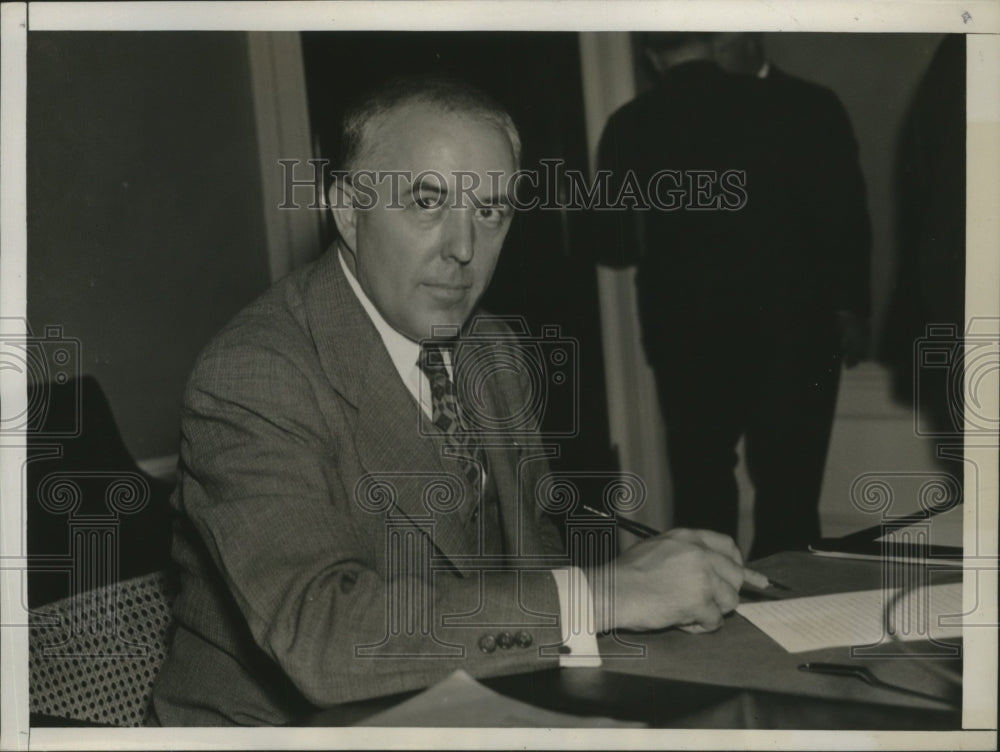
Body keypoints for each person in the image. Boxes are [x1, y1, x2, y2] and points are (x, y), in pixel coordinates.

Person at [149, 74, 763, 726]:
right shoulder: (252, 375)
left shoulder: (490, 349)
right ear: (348, 211)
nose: (465, 249)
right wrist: (607, 595)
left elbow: (534, 559)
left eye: (491, 211)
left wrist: (644, 594)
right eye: (428, 202)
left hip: (462, 707)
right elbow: (324, 636)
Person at [594, 33, 871, 559]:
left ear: (652, 57)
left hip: (686, 337)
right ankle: (790, 620)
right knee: (790, 497)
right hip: (795, 333)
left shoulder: (630, 124)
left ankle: (707, 621)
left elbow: (613, 246)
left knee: (701, 495)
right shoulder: (796, 106)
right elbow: (844, 221)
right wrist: (850, 306)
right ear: (712, 43)